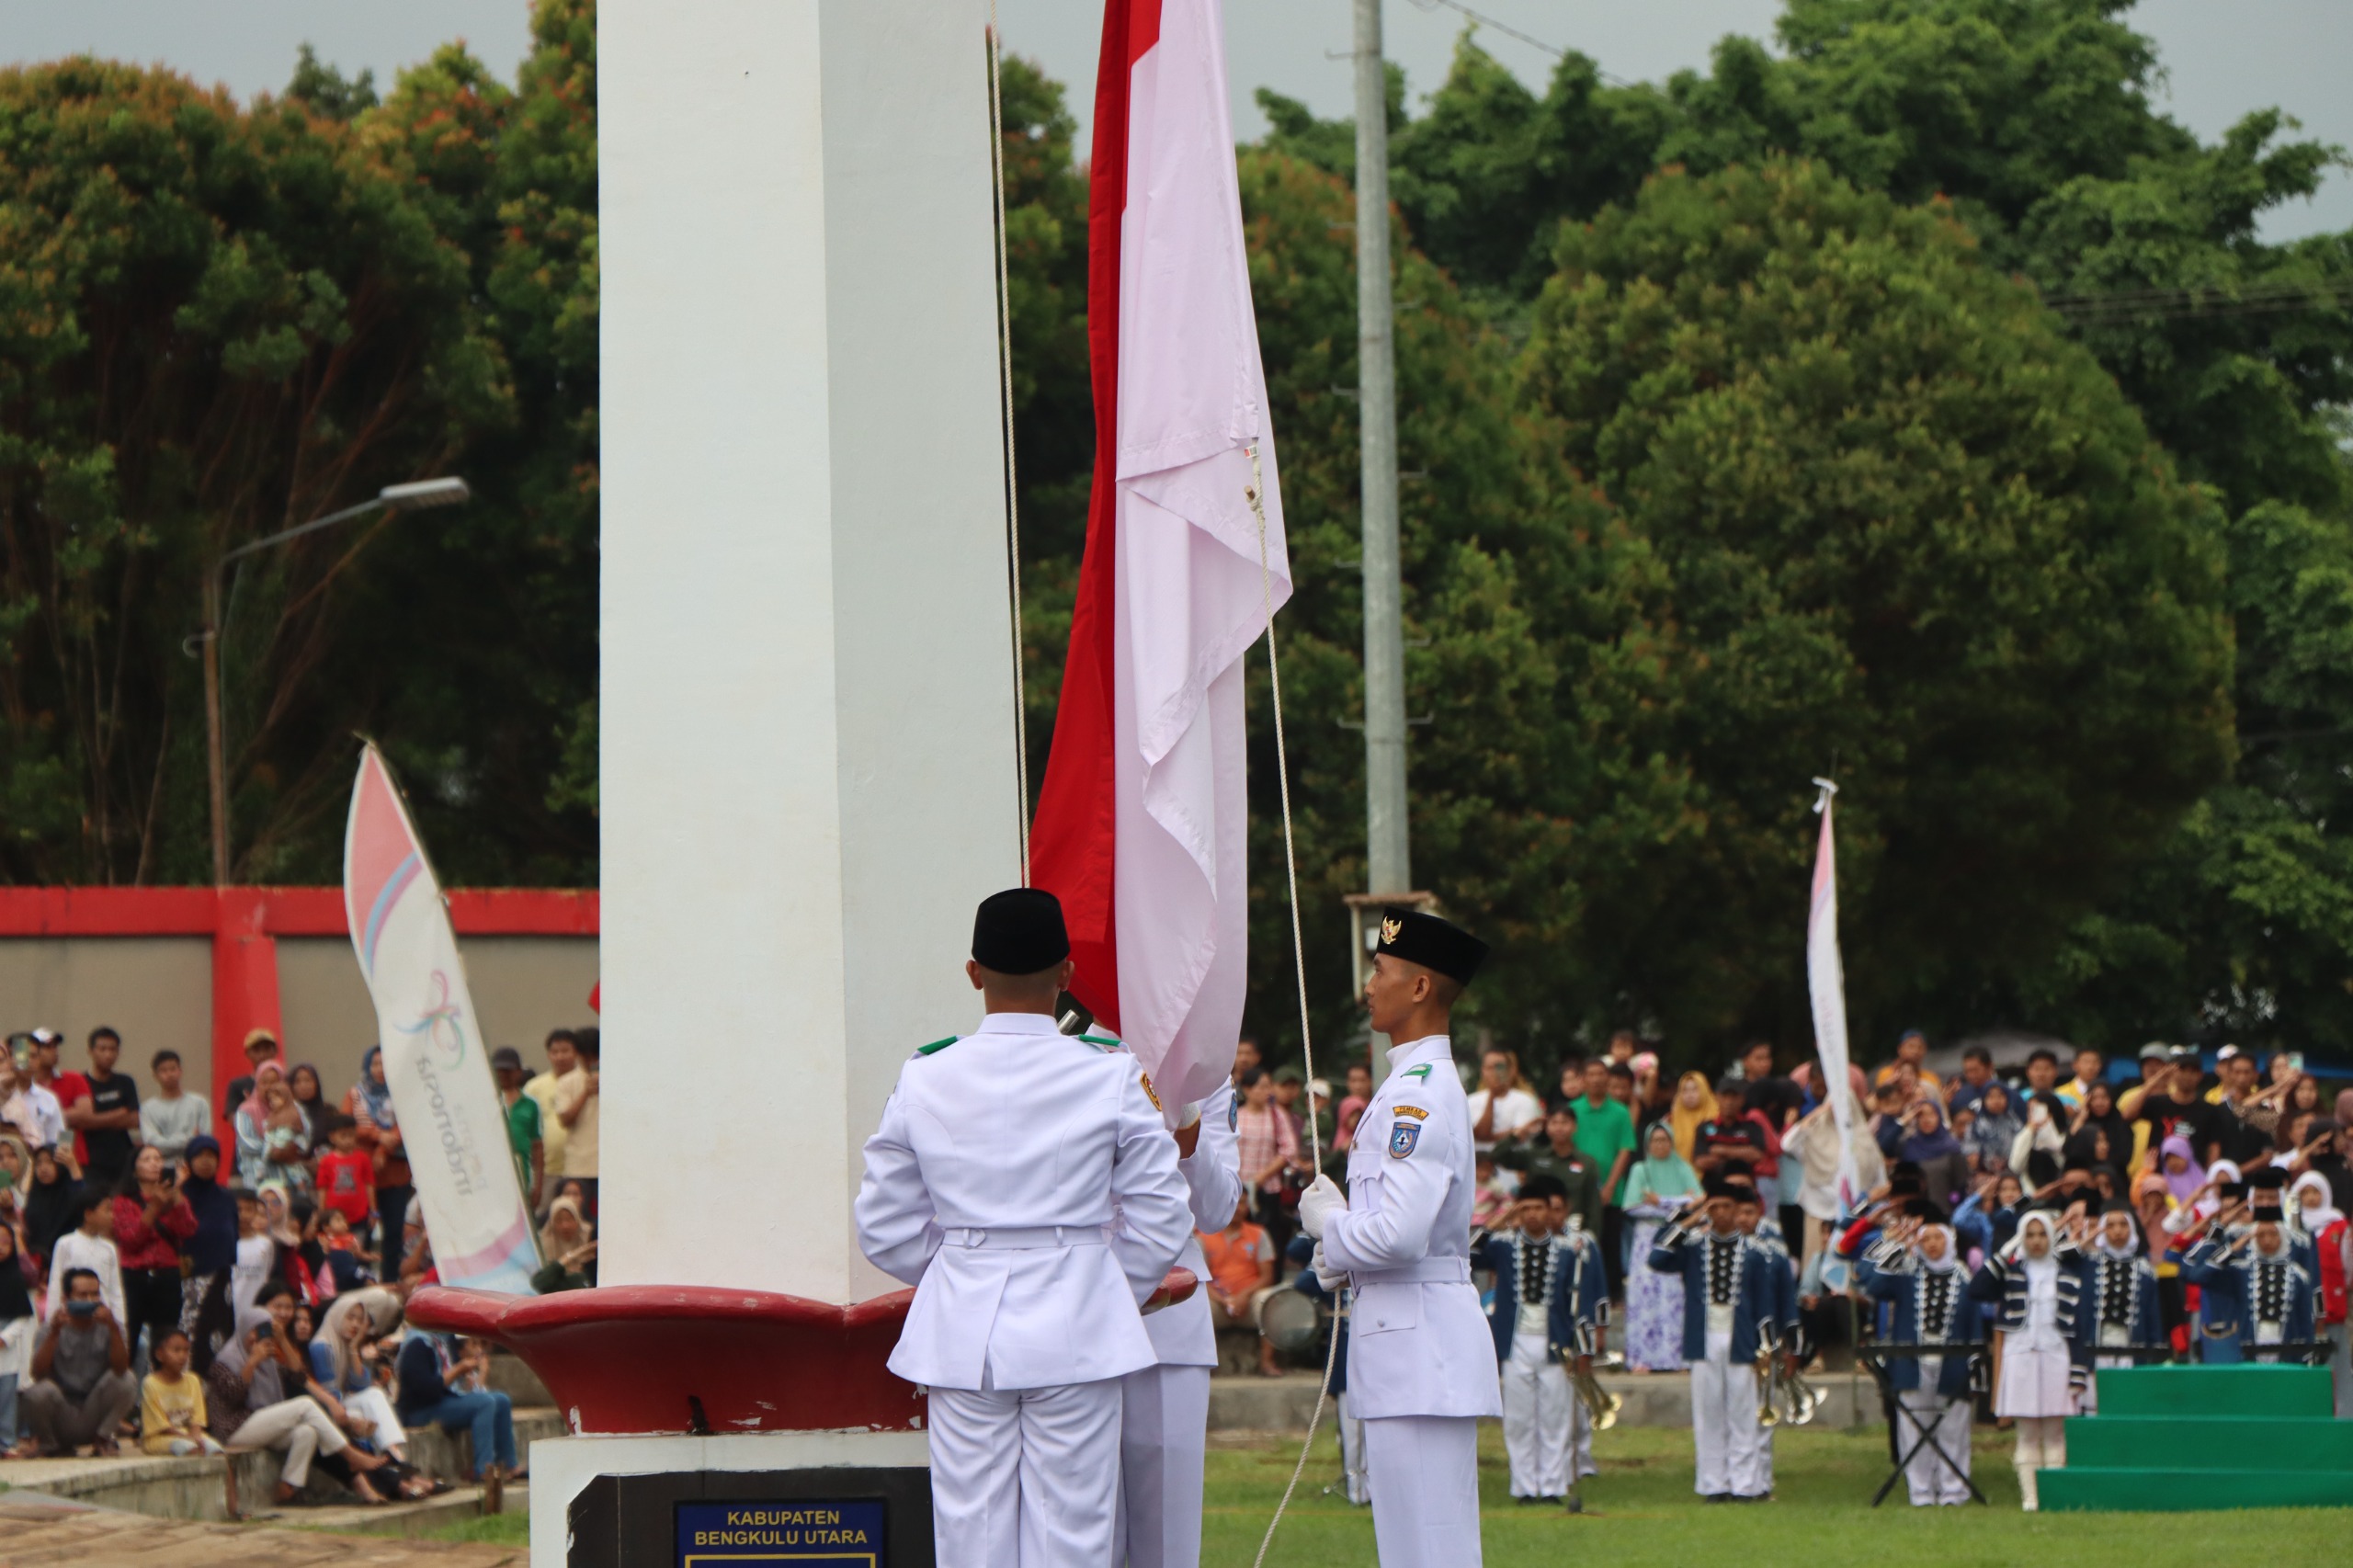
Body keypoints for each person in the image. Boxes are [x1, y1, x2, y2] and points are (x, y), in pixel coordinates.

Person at [854, 887, 1190, 1568]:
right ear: (1067, 973)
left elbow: (884, 1225)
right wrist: (1098, 1282)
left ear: (973, 972)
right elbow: (1162, 1213)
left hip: (962, 1329)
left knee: (970, 1534)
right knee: (1074, 1535)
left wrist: (964, 1267)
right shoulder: (1111, 1074)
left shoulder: (927, 1074)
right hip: (1079, 1320)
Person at [1296, 907, 1500, 1567]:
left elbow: (1402, 1235)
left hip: (1421, 1353)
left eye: (1380, 970)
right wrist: (1337, 1252)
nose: (1368, 984)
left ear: (1419, 988)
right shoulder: (1406, 1086)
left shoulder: (1420, 1094)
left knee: (1432, 1550)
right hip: (1405, 1349)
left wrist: (1330, 1226)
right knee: (1411, 1550)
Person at [1115, 1051, 1242, 1568]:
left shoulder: (1201, 1068)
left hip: (1171, 1306)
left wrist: (1187, 1124)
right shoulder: (1072, 1047)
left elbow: (1217, 1209)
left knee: (1167, 1536)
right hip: (1075, 1300)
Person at [1646, 1176, 1798, 1502]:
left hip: (1742, 1338)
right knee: (1708, 1413)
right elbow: (1657, 1258)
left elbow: (1765, 1304)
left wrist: (1767, 1346)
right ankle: (1713, 1484)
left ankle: (1745, 1485)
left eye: (1728, 1207)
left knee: (1743, 1414)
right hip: (1703, 1338)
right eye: (1716, 1207)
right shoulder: (1692, 1246)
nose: (1723, 1214)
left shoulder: (1757, 1252)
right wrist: (1689, 1219)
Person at [1476, 1173, 1605, 1504]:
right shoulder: (1504, 1245)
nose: (1533, 1214)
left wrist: (1584, 1348)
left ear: (1550, 1212)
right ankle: (1524, 1486)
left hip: (1555, 1343)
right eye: (1526, 1208)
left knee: (1555, 1417)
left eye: (1539, 1208)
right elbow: (1470, 1250)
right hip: (1514, 1343)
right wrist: (1502, 1217)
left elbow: (1582, 1302)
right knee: (1519, 1419)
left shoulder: (1569, 1250)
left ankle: (1551, 1485)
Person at [212, 1285, 392, 1506]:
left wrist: (281, 1339)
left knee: (307, 1432)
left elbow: (298, 1375)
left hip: (260, 1421)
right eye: (254, 1330)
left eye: (263, 1331)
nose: (256, 1337)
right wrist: (252, 1362)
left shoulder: (269, 1358)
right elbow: (233, 1397)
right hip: (234, 1428)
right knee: (305, 1405)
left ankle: (288, 1488)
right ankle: (350, 1455)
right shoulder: (226, 1360)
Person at [1856, 1200, 1981, 1506]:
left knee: (1953, 1428)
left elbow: (1975, 1324)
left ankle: (1953, 1491)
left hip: (1952, 1362)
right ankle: (1921, 1492)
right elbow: (1870, 1282)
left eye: (1938, 1238)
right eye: (1925, 1239)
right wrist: (1896, 1245)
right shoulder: (1906, 1275)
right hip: (1911, 1362)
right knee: (1912, 1430)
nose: (1933, 1245)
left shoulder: (1964, 1279)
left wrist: (1976, 1366)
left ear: (1949, 1240)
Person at [1968, 1209, 2086, 1510]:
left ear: (2051, 1236)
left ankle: (2054, 1495)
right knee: (2027, 1432)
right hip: (2020, 1356)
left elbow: (2078, 1328)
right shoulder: (2011, 1272)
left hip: (2056, 1356)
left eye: (2041, 1234)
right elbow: (1977, 1289)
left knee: (2055, 1432)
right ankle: (2031, 1498)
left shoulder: (2068, 1273)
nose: (2035, 1241)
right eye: (2029, 1235)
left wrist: (2078, 1371)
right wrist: (2006, 1250)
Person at [22, 1267, 137, 1455]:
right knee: (37, 1392)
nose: (90, 1300)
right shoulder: (49, 1330)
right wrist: (55, 1333)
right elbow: (38, 1373)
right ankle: (49, 1444)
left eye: (95, 1295)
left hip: (95, 1410)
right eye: (82, 1295)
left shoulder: (110, 1327)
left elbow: (120, 1368)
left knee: (127, 1380)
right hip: (63, 1409)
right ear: (66, 1299)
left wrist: (114, 1329)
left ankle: (103, 1438)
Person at [1620, 1121, 1699, 1372]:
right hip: (1647, 1237)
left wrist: (1661, 1201)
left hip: (1676, 1238)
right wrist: (1677, 1206)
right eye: (1655, 1141)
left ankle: (1677, 1358)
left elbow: (1699, 1201)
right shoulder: (1640, 1169)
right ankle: (1643, 1359)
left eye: (1665, 1140)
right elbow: (1633, 1206)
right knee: (1646, 1296)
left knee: (1674, 1294)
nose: (1660, 1145)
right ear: (1647, 1145)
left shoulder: (1683, 1168)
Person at [112, 1145, 196, 1369]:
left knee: (166, 1339)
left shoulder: (176, 1199)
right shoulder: (123, 1201)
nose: (154, 1163)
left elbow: (188, 1229)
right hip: (134, 1275)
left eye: (158, 1159)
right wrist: (155, 1205)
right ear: (134, 1169)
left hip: (166, 1274)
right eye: (146, 1159)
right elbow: (131, 1240)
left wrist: (176, 1192)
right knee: (129, 1337)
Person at [2077, 1199, 2162, 1408]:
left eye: (2123, 1225)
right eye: (2111, 1225)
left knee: (2129, 1398)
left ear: (2132, 1228)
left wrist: (2155, 1350)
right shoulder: (2088, 1265)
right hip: (2096, 1341)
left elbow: (2153, 1314)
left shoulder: (2145, 1269)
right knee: (2095, 1401)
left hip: (2131, 1342)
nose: (2117, 1231)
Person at [1569, 1057, 1638, 1299]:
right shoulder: (1573, 1110)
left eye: (1601, 1074)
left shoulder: (1620, 1112)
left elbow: (1625, 1149)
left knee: (1610, 1242)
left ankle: (1611, 1295)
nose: (1597, 1079)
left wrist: (1610, 1186)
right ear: (1583, 1079)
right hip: (1578, 1189)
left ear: (1607, 1078)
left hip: (1611, 1190)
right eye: (1592, 1074)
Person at [347, 1045, 415, 1280]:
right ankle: (358, 1280)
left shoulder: (402, 1094)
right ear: (367, 1066)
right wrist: (378, 1136)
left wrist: (383, 1150)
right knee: (361, 1232)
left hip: (395, 1174)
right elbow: (347, 1126)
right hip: (363, 1176)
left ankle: (390, 1281)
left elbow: (408, 1123)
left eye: (384, 1064)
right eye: (375, 1064)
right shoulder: (355, 1094)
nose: (379, 1069)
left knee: (394, 1231)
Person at [1493, 1102, 1602, 1241]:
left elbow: (1593, 1207)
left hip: (1572, 1231)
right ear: (1546, 1127)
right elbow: (1498, 1155)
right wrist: (1519, 1134)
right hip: (1534, 1230)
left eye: (1565, 1122)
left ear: (1575, 1126)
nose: (1559, 1128)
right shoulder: (1535, 1155)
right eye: (1554, 1122)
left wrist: (1590, 1238)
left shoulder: (1587, 1163)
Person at [176, 1135, 240, 1372]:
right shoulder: (179, 1195)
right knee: (191, 1336)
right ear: (189, 1161)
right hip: (188, 1279)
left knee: (220, 1336)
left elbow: (233, 1234)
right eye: (200, 1156)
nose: (206, 1161)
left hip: (222, 1279)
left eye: (212, 1156)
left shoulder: (225, 1197)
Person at [1200, 1199, 1280, 1376]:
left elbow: (1268, 1276)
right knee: (1198, 1305)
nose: (1237, 1208)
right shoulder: (1203, 1236)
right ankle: (1204, 1365)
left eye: (1242, 1203)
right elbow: (1199, 1279)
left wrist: (1243, 1296)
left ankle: (1267, 1362)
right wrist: (1223, 1300)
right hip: (1218, 1302)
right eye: (1231, 1203)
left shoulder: (1259, 1234)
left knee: (1270, 1300)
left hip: (1250, 1300)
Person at [60, 1027, 140, 1190]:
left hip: (122, 1159)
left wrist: (90, 1120)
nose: (108, 1054)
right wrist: (120, 1113)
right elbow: (72, 1122)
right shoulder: (79, 1082)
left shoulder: (125, 1082)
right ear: (90, 1051)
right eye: (102, 1049)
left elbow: (134, 1120)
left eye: (113, 1049)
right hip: (89, 1161)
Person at [44, 1188, 125, 1326]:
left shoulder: (109, 1248)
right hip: (72, 1317)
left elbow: (115, 1290)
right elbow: (56, 1284)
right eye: (107, 1210)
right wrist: (52, 1320)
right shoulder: (66, 1243)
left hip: (101, 1318)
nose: (112, 1216)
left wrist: (119, 1323)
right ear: (88, 1214)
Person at [140, 1327, 222, 1456]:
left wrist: (196, 1436)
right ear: (160, 1355)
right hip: (161, 1438)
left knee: (217, 1452)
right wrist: (188, 1438)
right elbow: (161, 1426)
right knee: (190, 1449)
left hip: (191, 1434)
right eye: (176, 1350)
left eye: (186, 1350)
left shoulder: (193, 1380)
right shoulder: (150, 1383)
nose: (182, 1356)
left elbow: (197, 1419)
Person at [524, 1028, 579, 1199]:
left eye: (565, 1051)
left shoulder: (587, 1083)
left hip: (579, 1170)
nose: (560, 1057)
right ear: (548, 1055)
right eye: (555, 1052)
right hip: (546, 1171)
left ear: (576, 1052)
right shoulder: (534, 1088)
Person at [552, 1028, 601, 1218]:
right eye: (587, 1057)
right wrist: (586, 1093)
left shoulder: (617, 1078)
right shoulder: (566, 1082)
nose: (591, 1062)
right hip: (578, 1166)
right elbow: (565, 1120)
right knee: (579, 1220)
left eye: (595, 1056)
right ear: (579, 1054)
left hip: (606, 1165)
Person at [492, 1047, 546, 1212]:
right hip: (493, 1169)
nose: (503, 1075)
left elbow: (537, 1146)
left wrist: (538, 1186)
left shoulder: (530, 1104)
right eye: (499, 1070)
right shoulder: (486, 1100)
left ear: (518, 1072)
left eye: (507, 1070)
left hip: (522, 1171)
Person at [0, 1224, 37, 1455]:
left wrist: (5, 1336)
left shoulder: (14, 1277)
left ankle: (6, 1442)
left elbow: (23, 1315)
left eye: (6, 1242)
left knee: (6, 1397)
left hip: (6, 1345)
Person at [1468, 1047, 1543, 1153]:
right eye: (1490, 1067)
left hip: (1512, 1167)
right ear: (1483, 1071)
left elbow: (1520, 1137)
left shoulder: (1525, 1100)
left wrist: (1488, 1137)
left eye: (1499, 1067)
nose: (1495, 1072)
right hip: (1480, 1166)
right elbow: (1481, 1134)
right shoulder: (1471, 1101)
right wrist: (1492, 1095)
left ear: (1510, 1070)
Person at [138, 1049, 207, 1163]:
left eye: (173, 1069)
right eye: (164, 1071)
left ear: (180, 1071)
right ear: (155, 1075)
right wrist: (188, 1139)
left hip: (193, 1166)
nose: (169, 1074)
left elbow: (203, 1141)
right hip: (161, 1166)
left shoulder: (199, 1103)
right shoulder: (147, 1108)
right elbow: (152, 1143)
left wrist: (166, 1141)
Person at [531, 1195, 598, 1294]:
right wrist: (571, 1256)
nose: (565, 1225)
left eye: (569, 1219)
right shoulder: (543, 1245)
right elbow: (538, 1283)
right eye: (559, 1220)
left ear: (577, 1220)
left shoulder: (590, 1241)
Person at [219, 1028, 281, 1126]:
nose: (262, 1054)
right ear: (247, 1054)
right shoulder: (237, 1085)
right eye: (257, 1050)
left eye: (267, 1049)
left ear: (275, 1051)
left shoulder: (287, 1082)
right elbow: (233, 1120)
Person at [1875, 1030, 1943, 1097]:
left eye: (1920, 1047)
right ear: (1899, 1049)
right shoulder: (1887, 1073)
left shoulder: (1931, 1078)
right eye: (1911, 1046)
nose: (1916, 1051)